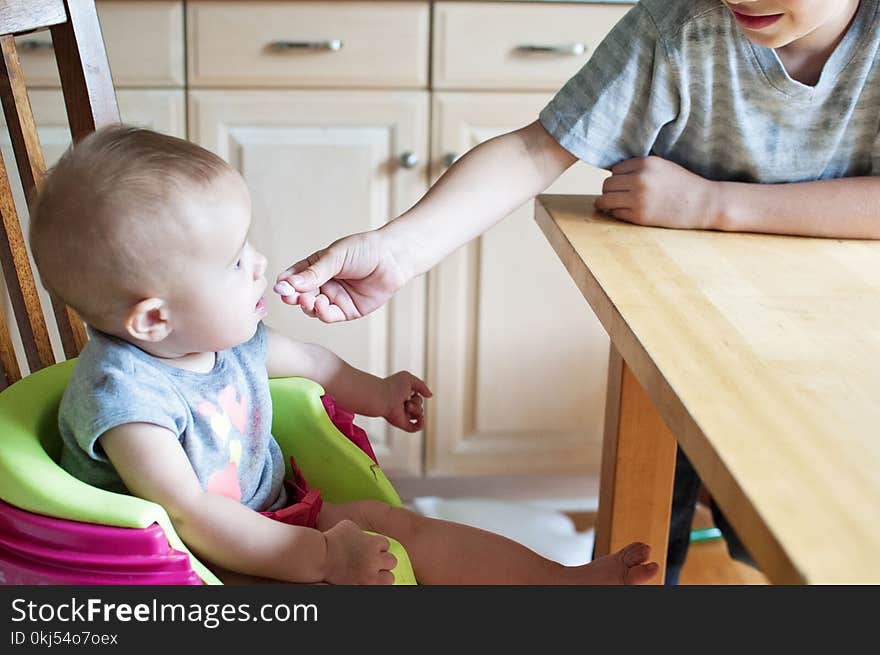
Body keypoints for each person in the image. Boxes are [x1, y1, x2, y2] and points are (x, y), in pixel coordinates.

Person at [273, 0, 880, 583]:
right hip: (684, 332)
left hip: (840, 345)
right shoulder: (677, 26)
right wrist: (399, 250)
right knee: (651, 528)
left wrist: (712, 203)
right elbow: (538, 148)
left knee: (802, 532)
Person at [29, 125, 658, 585]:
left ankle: (560, 583)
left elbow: (317, 364)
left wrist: (379, 393)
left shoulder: (221, 340)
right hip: (187, 569)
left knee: (400, 527)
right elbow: (190, 517)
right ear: (155, 318)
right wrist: (324, 559)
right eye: (233, 263)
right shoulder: (130, 404)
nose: (260, 265)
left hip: (273, 513)